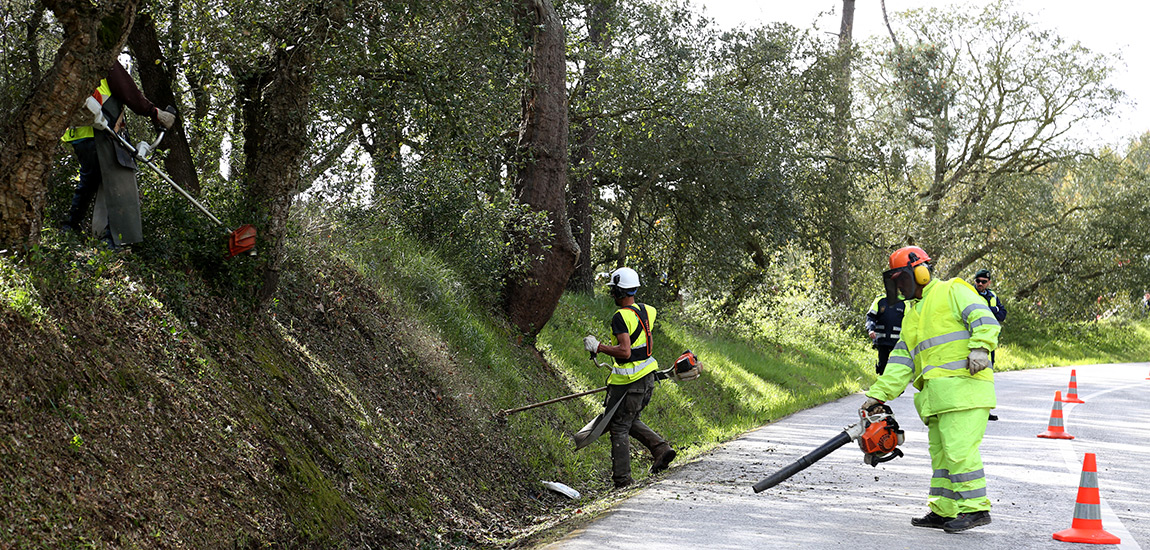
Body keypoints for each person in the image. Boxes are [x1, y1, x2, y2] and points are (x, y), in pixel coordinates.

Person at [861, 246, 1000, 533]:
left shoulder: (953, 290)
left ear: (921, 273)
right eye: (895, 281)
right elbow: (902, 360)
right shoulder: (912, 315)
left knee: (959, 451)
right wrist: (878, 394)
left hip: (966, 392)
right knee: (941, 455)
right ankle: (943, 509)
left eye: (902, 279)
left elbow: (985, 320)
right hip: (937, 399)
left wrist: (981, 347)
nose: (899, 286)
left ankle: (976, 508)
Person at [60, 58, 175, 247]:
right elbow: (129, 92)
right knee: (121, 181)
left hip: (80, 135)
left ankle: (70, 227)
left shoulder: (71, 62)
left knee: (89, 181)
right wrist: (155, 113)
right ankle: (113, 240)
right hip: (103, 132)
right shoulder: (105, 59)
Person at [583, 267, 676, 488]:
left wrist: (599, 347)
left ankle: (622, 481)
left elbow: (625, 352)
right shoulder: (647, 311)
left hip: (630, 383)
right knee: (628, 420)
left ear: (617, 291)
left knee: (619, 427)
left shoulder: (620, 317)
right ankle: (661, 449)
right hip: (647, 379)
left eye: (613, 290)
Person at [973, 268, 1006, 421]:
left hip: (989, 342)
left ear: (989, 282)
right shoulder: (969, 293)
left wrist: (990, 309)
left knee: (986, 377)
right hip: (973, 340)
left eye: (983, 282)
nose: (980, 284)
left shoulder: (992, 295)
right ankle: (971, 408)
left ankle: (985, 410)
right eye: (977, 281)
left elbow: (1002, 314)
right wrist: (992, 310)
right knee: (972, 375)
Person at [865, 293, 905, 375]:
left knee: (897, 368)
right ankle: (883, 385)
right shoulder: (880, 300)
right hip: (882, 341)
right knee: (882, 367)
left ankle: (898, 387)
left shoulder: (904, 302)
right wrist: (870, 330)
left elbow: (910, 322)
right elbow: (870, 317)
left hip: (898, 343)